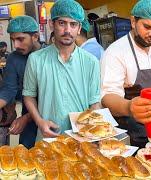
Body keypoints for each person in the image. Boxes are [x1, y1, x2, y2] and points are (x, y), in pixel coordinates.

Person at [23, 0, 100, 140]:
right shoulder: (36, 60)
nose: (67, 30)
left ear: (79, 27)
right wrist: (40, 122)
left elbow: (95, 102)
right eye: (62, 23)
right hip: (48, 138)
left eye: (73, 24)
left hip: (81, 141)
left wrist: (91, 128)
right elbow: (29, 95)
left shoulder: (91, 62)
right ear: (52, 24)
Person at [101, 0, 151, 148]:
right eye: (147, 27)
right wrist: (129, 107)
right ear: (133, 21)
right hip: (131, 134)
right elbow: (107, 97)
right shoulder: (115, 52)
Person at [0, 16, 41, 148]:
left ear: (35, 36)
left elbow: (53, 96)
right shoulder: (14, 58)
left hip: (50, 115)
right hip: (27, 120)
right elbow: (8, 90)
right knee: (26, 153)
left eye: (20, 39)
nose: (16, 45)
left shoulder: (49, 56)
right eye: (13, 40)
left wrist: (27, 117)